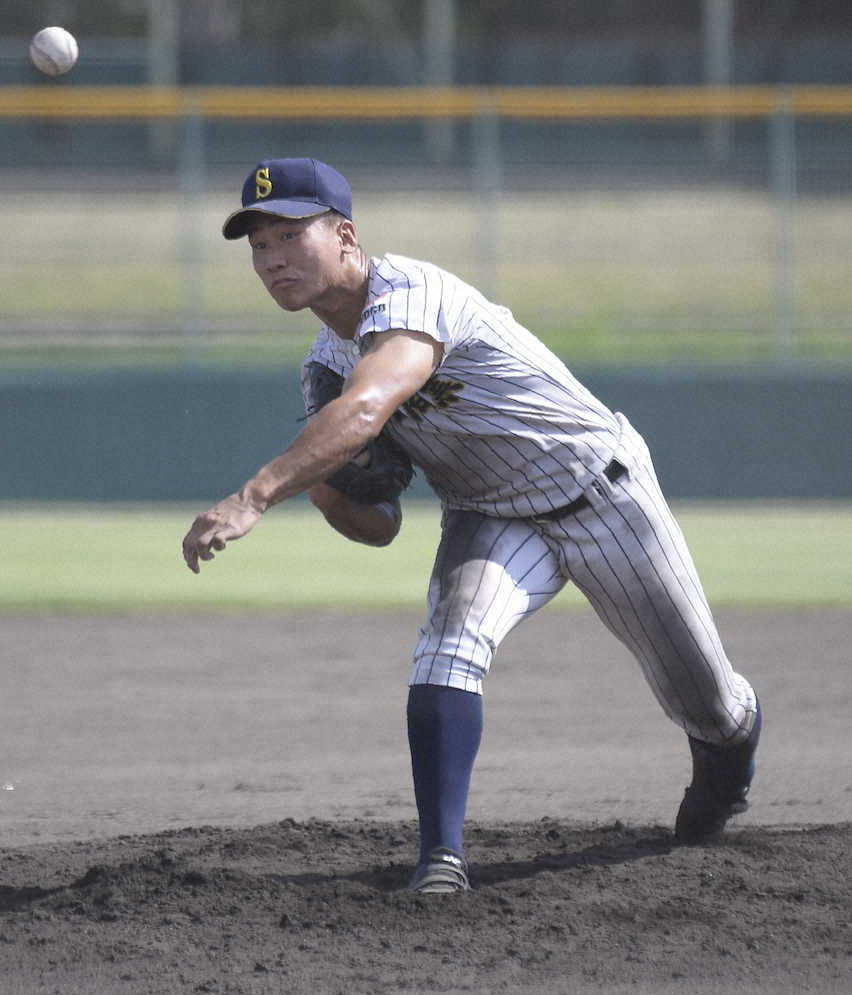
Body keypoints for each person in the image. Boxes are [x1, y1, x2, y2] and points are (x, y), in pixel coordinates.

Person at [182, 158, 762, 894]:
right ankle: (441, 862)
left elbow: (367, 408)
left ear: (347, 238)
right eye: (259, 245)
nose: (272, 259)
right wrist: (324, 486)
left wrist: (256, 495)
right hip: (488, 515)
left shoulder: (413, 292)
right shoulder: (324, 369)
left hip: (602, 493)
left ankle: (726, 754)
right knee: (446, 652)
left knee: (707, 700)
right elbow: (379, 525)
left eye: (291, 235)